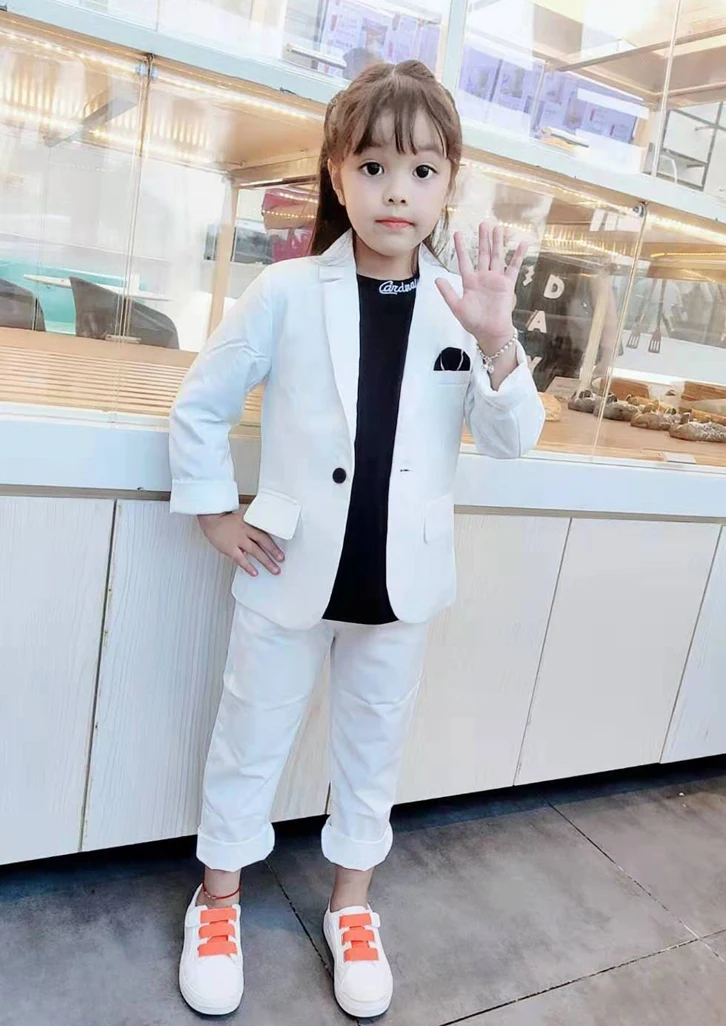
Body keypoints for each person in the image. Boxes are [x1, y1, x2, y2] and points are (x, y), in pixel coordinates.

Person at [169, 59, 544, 1019]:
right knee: (249, 739)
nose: (396, 192)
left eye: (422, 171)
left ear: (449, 182)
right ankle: (218, 904)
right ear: (338, 174)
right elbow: (202, 404)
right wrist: (214, 512)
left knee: (373, 753)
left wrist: (499, 341)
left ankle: (352, 908)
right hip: (288, 568)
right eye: (374, 167)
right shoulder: (288, 291)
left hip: (400, 582)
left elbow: (513, 442)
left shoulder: (462, 304)